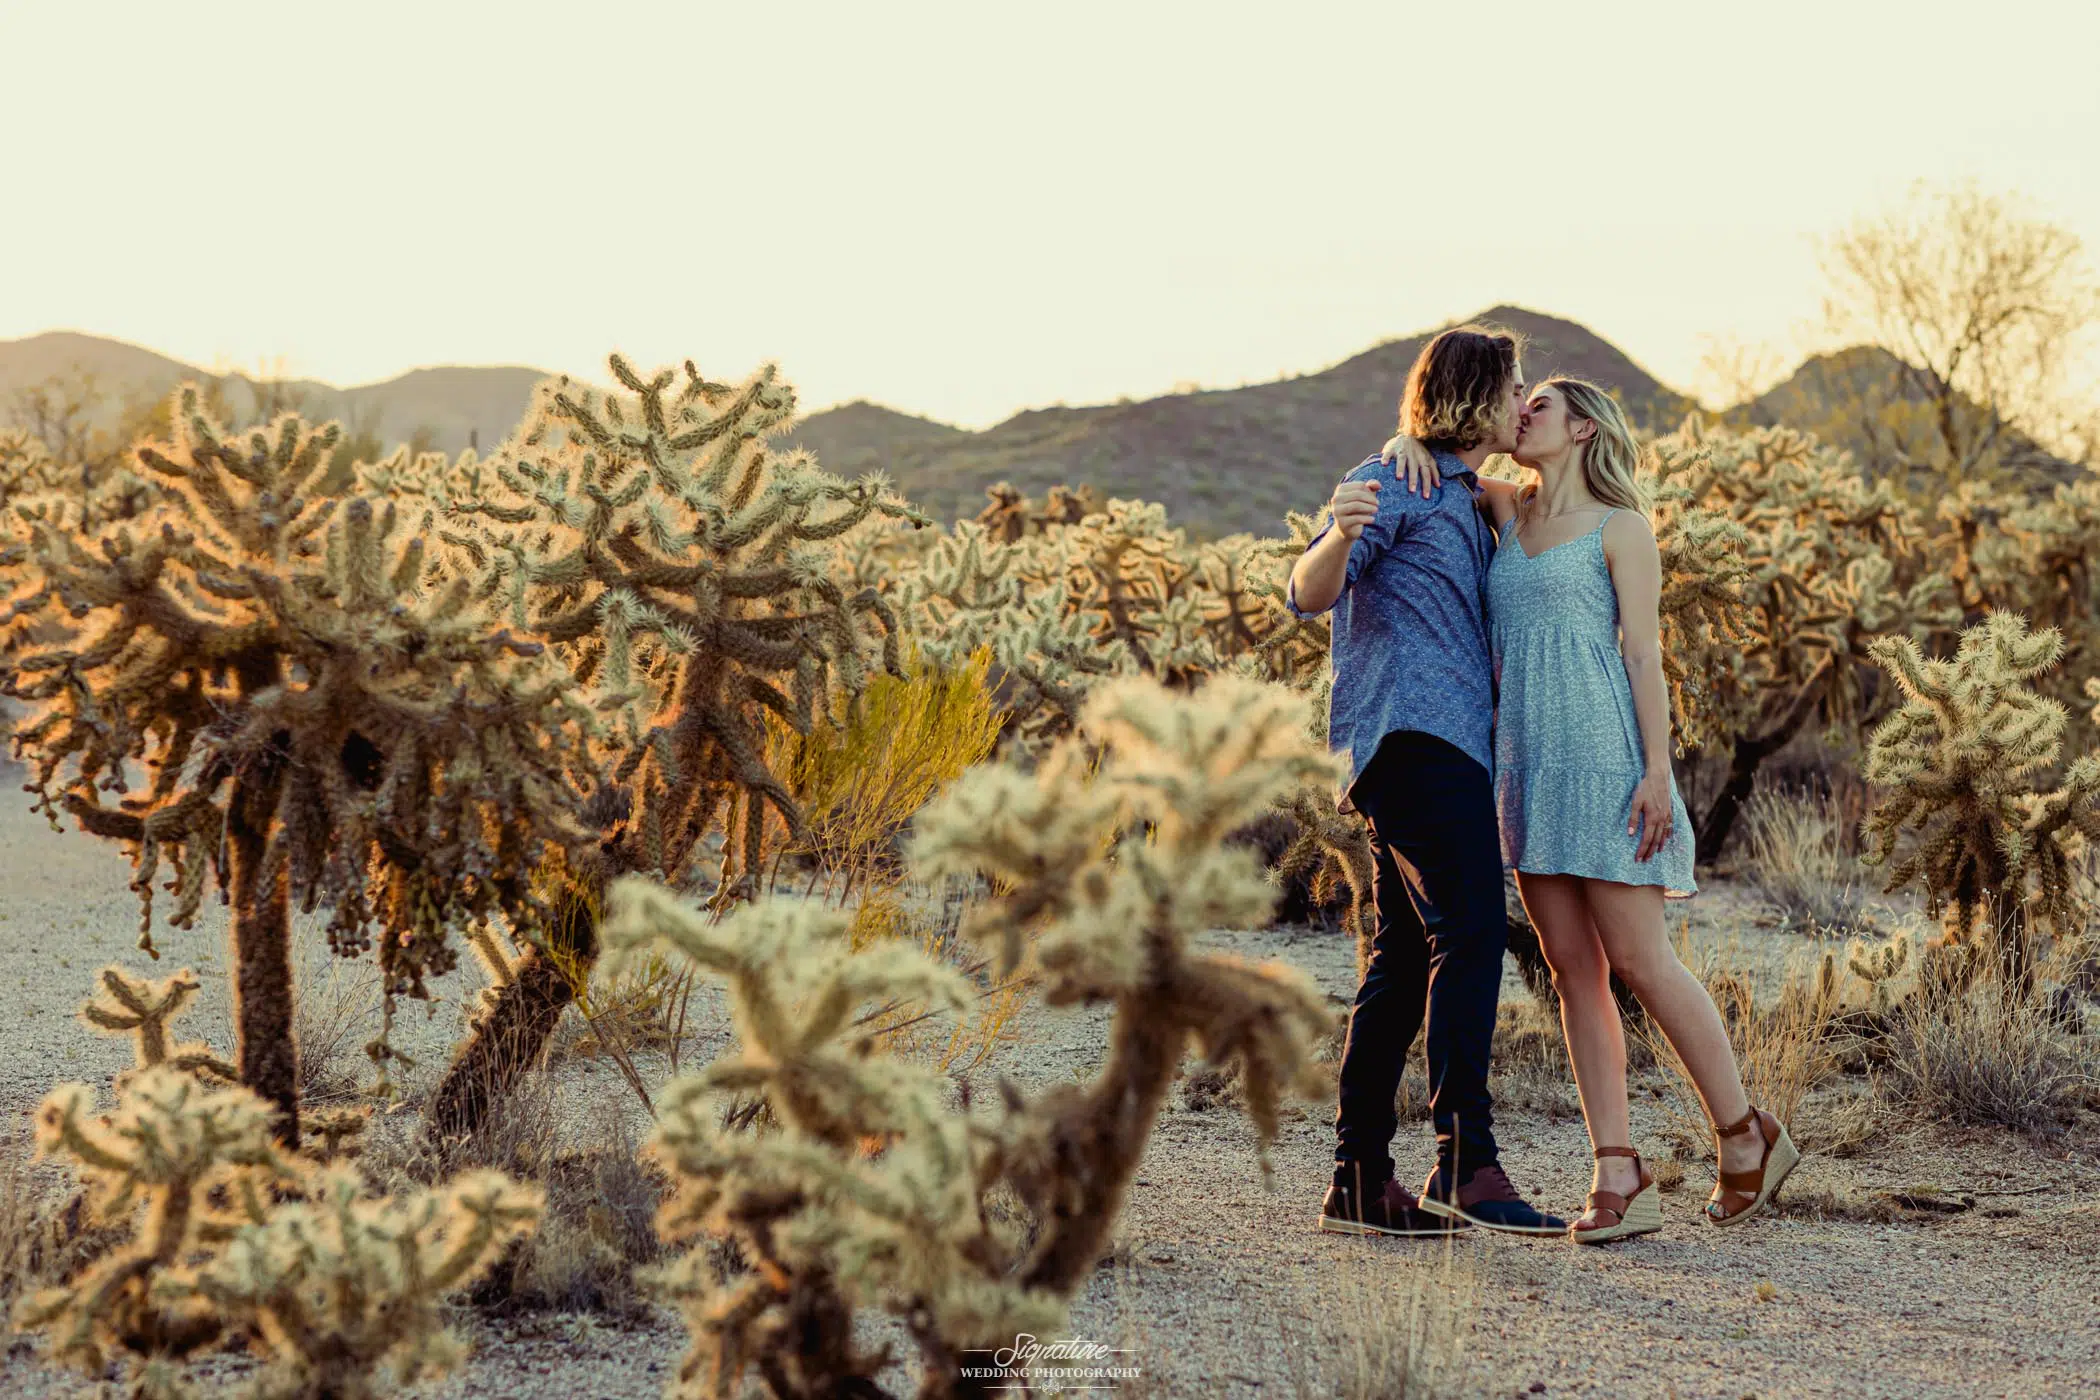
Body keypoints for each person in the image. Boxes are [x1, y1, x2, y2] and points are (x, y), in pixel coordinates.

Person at [1383, 378, 1801, 1242]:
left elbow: (1645, 657)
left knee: (1643, 961)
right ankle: (1618, 1169)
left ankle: (1744, 1132)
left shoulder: (1622, 527)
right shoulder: (1503, 509)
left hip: (1608, 763)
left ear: (1582, 428)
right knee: (1573, 969)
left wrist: (1658, 772)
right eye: (1516, 406)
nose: (1519, 415)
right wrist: (1406, 446)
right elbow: (1428, 456)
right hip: (1527, 771)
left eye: (1537, 407)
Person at [1291, 325, 1565, 1238]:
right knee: (1473, 933)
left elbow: (1543, 501)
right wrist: (1339, 532)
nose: (1523, 396)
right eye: (1512, 383)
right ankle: (1466, 1163)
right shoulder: (1394, 482)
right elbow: (1310, 590)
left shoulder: (1452, 486)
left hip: (1438, 750)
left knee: (1404, 963)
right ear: (1475, 394)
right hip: (1414, 739)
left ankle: (1359, 1179)